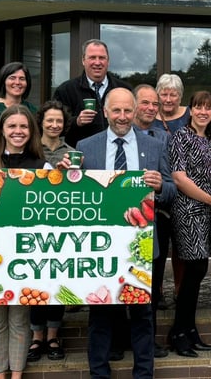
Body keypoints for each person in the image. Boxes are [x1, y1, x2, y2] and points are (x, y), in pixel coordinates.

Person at [77, 87, 175, 379]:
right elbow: (77, 193)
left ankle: (144, 374)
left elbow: (171, 191)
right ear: (105, 111)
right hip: (102, 244)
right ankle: (99, 374)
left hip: (141, 243)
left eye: (127, 110)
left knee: (143, 315)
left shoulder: (155, 145)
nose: (122, 117)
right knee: (100, 313)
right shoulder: (86, 147)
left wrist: (159, 186)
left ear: (136, 112)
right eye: (116, 110)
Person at [0, 105, 69, 379]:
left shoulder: (43, 166)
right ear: (2, 131)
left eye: (23, 127)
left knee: (21, 320)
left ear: (31, 131)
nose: (18, 131)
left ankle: (16, 375)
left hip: (26, 255)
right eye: (12, 126)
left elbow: (55, 210)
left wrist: (63, 180)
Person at [167, 91, 211, 357]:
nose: (203, 111)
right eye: (198, 107)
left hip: (206, 214)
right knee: (194, 269)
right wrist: (210, 200)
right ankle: (179, 332)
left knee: (197, 273)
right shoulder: (181, 137)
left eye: (208, 107)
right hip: (187, 210)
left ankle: (189, 329)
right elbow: (179, 178)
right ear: (190, 110)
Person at [26, 101, 73, 362]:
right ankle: (36, 336)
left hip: (63, 226)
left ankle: (54, 335)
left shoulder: (73, 153)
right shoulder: (31, 151)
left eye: (59, 121)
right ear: (41, 122)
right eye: (49, 121)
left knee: (57, 281)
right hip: (34, 226)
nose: (54, 125)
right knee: (36, 280)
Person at [132, 84, 170, 359]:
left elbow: (170, 189)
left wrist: (159, 187)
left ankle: (148, 342)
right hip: (115, 226)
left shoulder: (161, 140)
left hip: (152, 227)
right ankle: (120, 340)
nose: (150, 108)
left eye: (154, 104)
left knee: (150, 289)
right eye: (145, 103)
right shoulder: (110, 139)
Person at [152, 74, 189, 303]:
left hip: (186, 186)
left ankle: (179, 289)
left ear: (180, 96)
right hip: (161, 183)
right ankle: (157, 289)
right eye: (163, 94)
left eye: (172, 94)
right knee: (158, 242)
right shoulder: (148, 116)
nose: (168, 99)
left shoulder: (189, 115)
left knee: (181, 243)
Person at [53, 39, 132, 147]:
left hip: (118, 153)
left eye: (102, 58)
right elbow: (53, 125)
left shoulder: (124, 89)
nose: (97, 62)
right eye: (92, 57)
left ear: (108, 61)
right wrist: (76, 121)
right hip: (81, 156)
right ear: (83, 60)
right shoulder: (66, 90)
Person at [0, 62, 38, 128]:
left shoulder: (33, 111)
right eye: (12, 78)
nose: (17, 82)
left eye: (22, 79)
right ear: (3, 81)